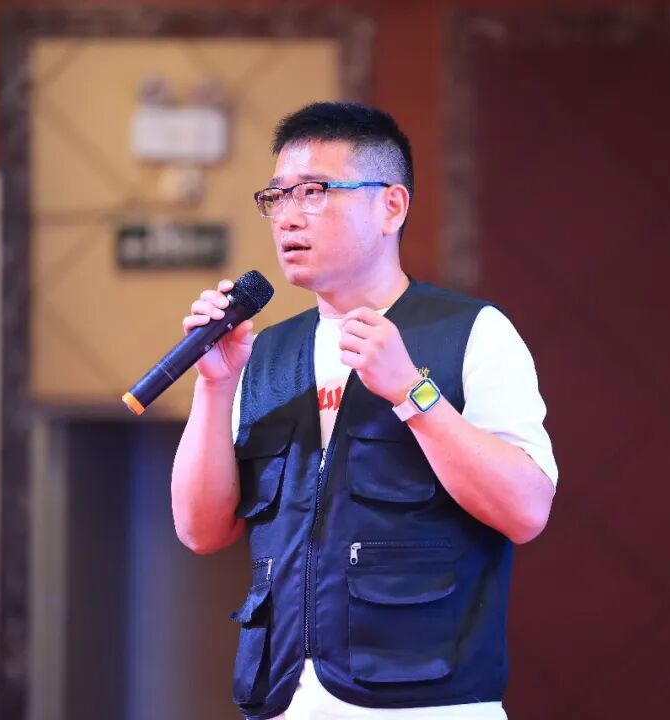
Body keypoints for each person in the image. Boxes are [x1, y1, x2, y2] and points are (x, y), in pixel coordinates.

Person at [171, 102, 558, 720]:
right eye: (277, 195)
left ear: (391, 206)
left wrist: (411, 392)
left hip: (426, 701)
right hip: (285, 700)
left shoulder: (472, 333)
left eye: (315, 192)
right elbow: (201, 530)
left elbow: (527, 509)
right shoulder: (266, 353)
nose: (288, 216)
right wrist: (215, 386)